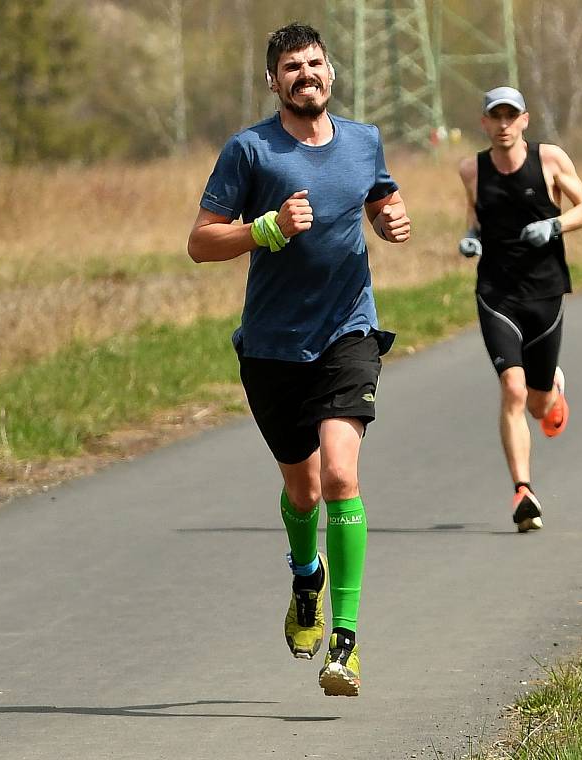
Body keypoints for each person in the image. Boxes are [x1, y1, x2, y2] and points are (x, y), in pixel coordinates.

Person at [187, 22, 410, 697]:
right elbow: (200, 242)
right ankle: (306, 577)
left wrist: (389, 218)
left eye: (314, 63)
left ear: (331, 73)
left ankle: (344, 642)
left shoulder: (364, 140)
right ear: (273, 81)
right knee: (303, 489)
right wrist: (268, 228)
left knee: (341, 475)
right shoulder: (249, 151)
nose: (305, 74)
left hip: (348, 331)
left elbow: (379, 191)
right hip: (273, 346)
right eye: (291, 67)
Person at [457, 86, 582, 532]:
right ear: (484, 122)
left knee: (538, 404)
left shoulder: (550, 159)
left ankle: (552, 388)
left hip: (545, 292)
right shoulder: (471, 169)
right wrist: (472, 237)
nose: (502, 125)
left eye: (510, 116)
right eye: (494, 116)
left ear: (524, 120)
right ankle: (523, 492)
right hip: (496, 293)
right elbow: (475, 216)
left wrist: (554, 226)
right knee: (512, 391)